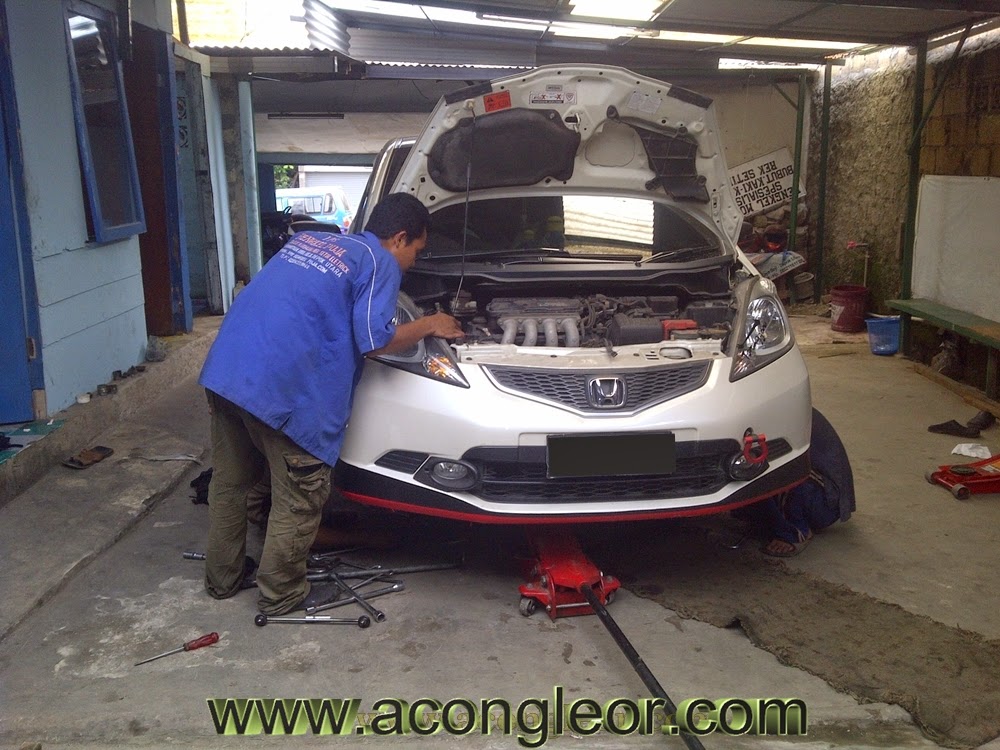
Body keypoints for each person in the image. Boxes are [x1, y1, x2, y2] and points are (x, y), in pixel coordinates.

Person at [198, 192, 464, 615]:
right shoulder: (378, 261)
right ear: (398, 238)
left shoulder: (313, 242)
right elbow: (375, 340)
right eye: (416, 251)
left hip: (227, 371)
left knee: (230, 485)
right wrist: (431, 323)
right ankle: (282, 594)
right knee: (300, 495)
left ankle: (222, 578)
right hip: (279, 389)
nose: (412, 263)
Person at [739, 408, 856, 557]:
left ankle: (794, 532)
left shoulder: (777, 410)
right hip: (816, 492)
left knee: (767, 467)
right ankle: (771, 520)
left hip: (824, 502)